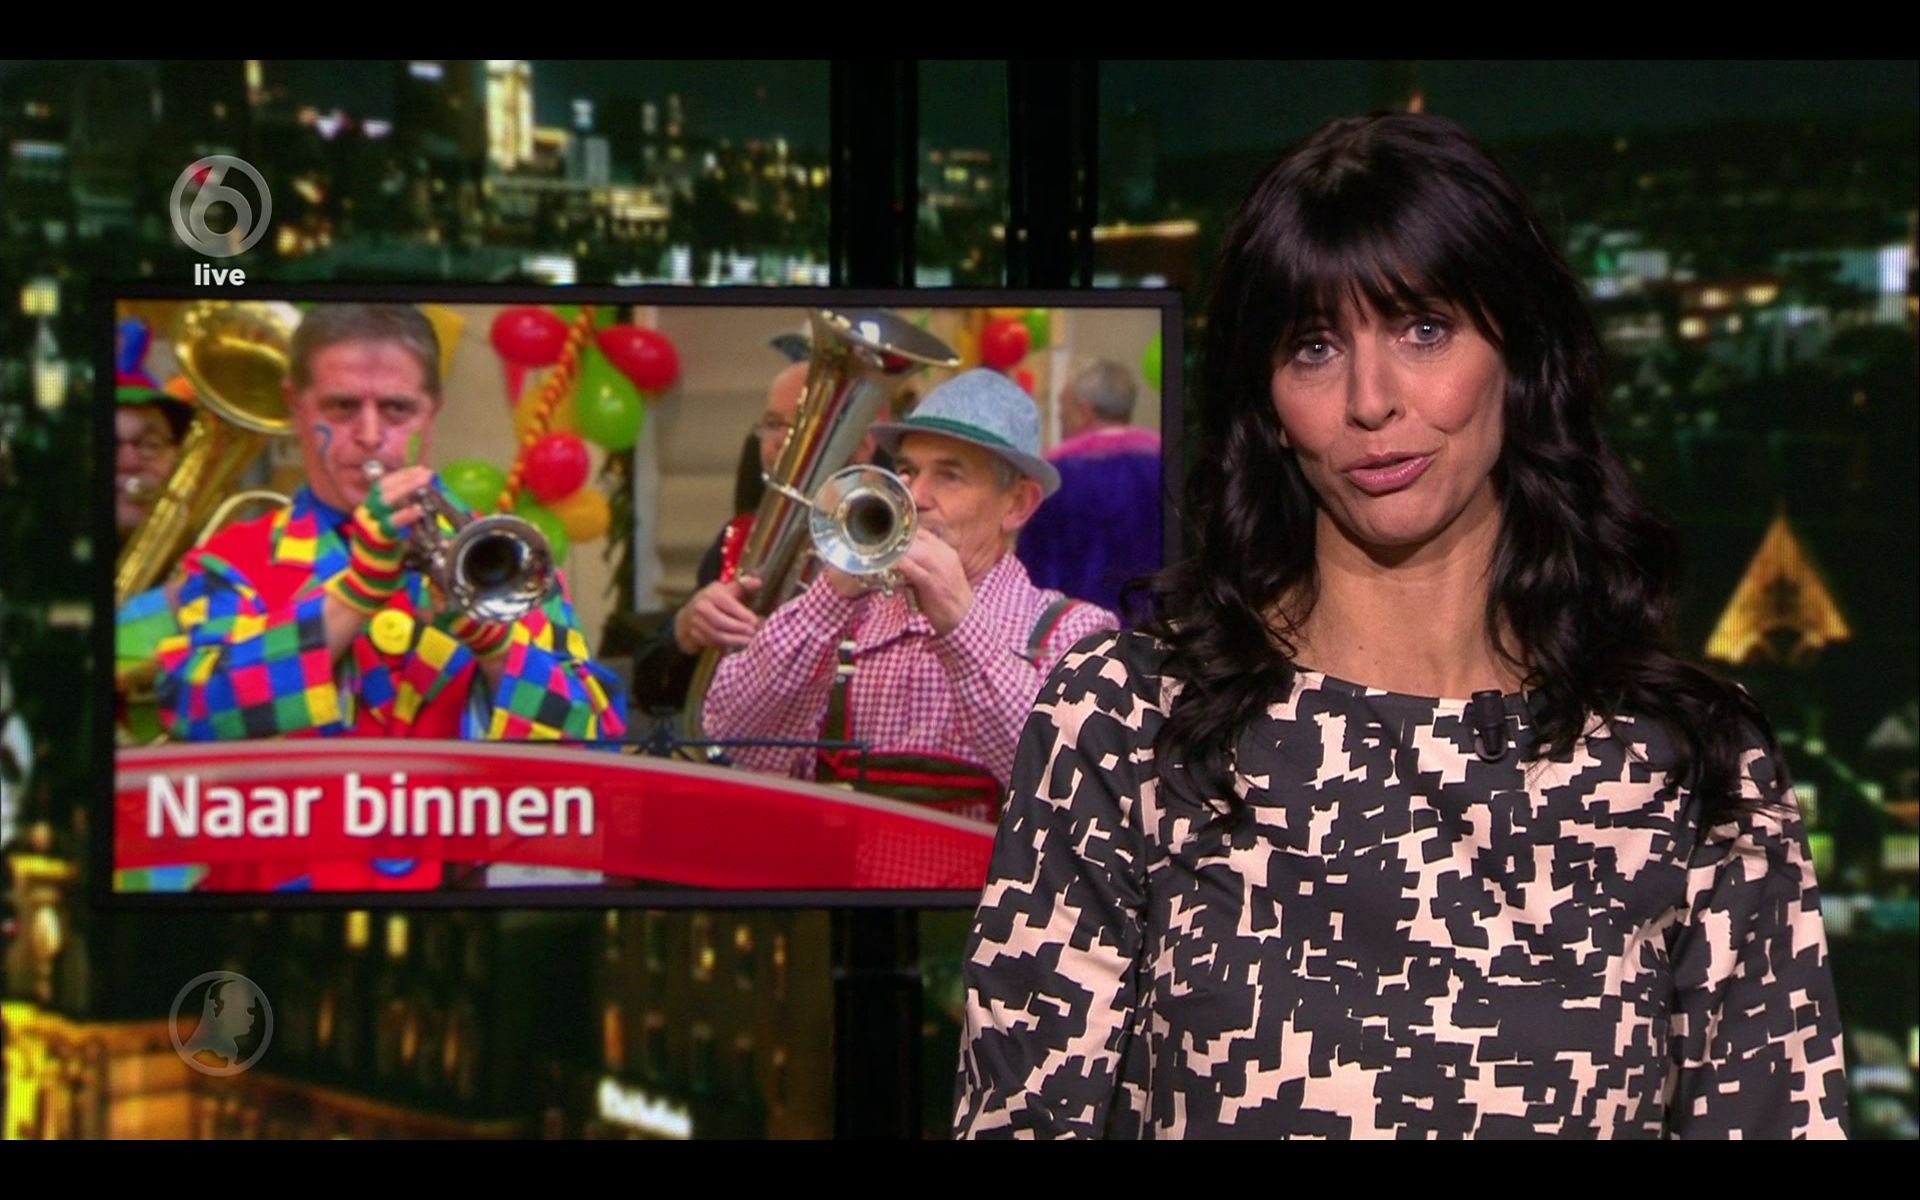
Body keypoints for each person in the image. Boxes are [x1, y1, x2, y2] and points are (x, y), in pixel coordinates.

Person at [955, 114, 1848, 1138]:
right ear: (1267, 400)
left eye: (1424, 330)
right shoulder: (1127, 722)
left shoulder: (1692, 760)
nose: (1371, 402)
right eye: (1314, 347)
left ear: (1518, 352)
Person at [154, 304, 626, 887]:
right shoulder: (234, 560)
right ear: (295, 405)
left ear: (433, 410)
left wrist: (492, 642)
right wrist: (353, 596)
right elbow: (195, 712)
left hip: (457, 901)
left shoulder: (502, 558)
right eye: (342, 407)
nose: (371, 435)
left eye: (397, 409)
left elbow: (591, 738)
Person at [703, 369, 1118, 820]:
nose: (914, 496)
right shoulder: (842, 617)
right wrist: (830, 597)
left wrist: (961, 624)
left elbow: (1076, 791)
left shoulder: (1076, 632)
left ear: (1018, 504)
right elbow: (735, 739)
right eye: (907, 471)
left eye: (949, 475)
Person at [1016, 360, 1162, 616]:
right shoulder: (1165, 461)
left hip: (1078, 625)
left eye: (1063, 408)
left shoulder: (1055, 473)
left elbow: (1036, 566)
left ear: (1084, 411)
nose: (1060, 418)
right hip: (1157, 618)